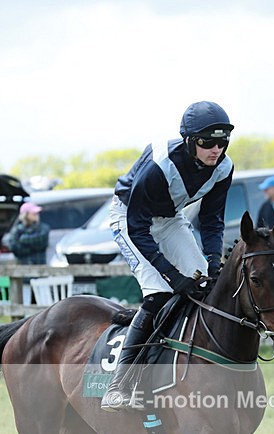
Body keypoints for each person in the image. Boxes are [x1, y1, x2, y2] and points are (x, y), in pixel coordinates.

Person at [101, 100, 234, 411]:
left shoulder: (224, 168)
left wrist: (213, 264)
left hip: (170, 219)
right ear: (189, 141)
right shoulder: (161, 163)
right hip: (130, 219)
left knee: (206, 288)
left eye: (222, 142)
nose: (216, 150)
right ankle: (118, 386)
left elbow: (213, 221)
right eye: (207, 143)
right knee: (160, 293)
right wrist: (173, 277)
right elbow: (137, 227)